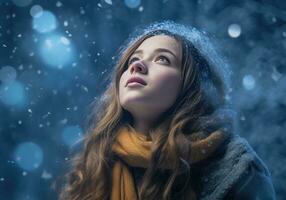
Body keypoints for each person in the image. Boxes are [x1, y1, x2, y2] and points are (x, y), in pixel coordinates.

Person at [55, 21, 276, 200]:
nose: (137, 66)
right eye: (134, 59)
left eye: (162, 59)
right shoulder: (95, 163)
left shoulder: (238, 170)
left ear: (192, 86)